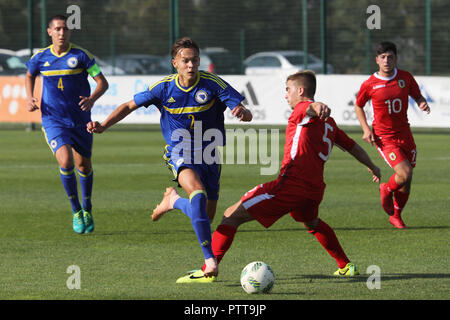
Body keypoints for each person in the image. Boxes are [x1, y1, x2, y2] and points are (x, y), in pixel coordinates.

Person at [175, 70, 381, 283]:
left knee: (231, 215)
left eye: (288, 90)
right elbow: (353, 146)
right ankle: (346, 266)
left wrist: (317, 104)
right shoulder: (330, 124)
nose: (286, 95)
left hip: (289, 186)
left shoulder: (302, 110)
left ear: (300, 91)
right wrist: (373, 166)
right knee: (311, 222)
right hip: (314, 190)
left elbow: (310, 107)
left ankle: (208, 270)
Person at [87, 37, 252, 275]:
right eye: (185, 61)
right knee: (197, 194)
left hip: (209, 155)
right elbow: (127, 106)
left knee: (205, 215)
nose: (191, 65)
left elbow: (245, 113)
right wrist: (103, 125)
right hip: (179, 151)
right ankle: (210, 262)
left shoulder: (212, 83)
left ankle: (173, 201)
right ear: (175, 62)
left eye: (195, 60)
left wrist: (243, 112)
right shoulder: (163, 88)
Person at [25, 14, 109, 234]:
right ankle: (76, 211)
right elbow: (29, 74)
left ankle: (88, 207)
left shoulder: (81, 56)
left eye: (65, 29)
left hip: (80, 120)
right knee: (65, 161)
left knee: (84, 166)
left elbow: (102, 82)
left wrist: (92, 99)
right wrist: (29, 96)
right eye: (58, 29)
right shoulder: (40, 57)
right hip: (53, 120)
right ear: (49, 32)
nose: (62, 33)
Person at [355, 41, 430, 229]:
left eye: (390, 57)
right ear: (377, 60)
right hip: (384, 137)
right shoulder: (370, 84)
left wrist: (422, 103)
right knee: (405, 173)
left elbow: (417, 96)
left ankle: (396, 215)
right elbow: (358, 105)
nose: (386, 60)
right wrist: (366, 129)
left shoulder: (405, 78)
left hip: (405, 134)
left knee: (406, 181)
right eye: (382, 57)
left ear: (395, 59)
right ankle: (386, 188)